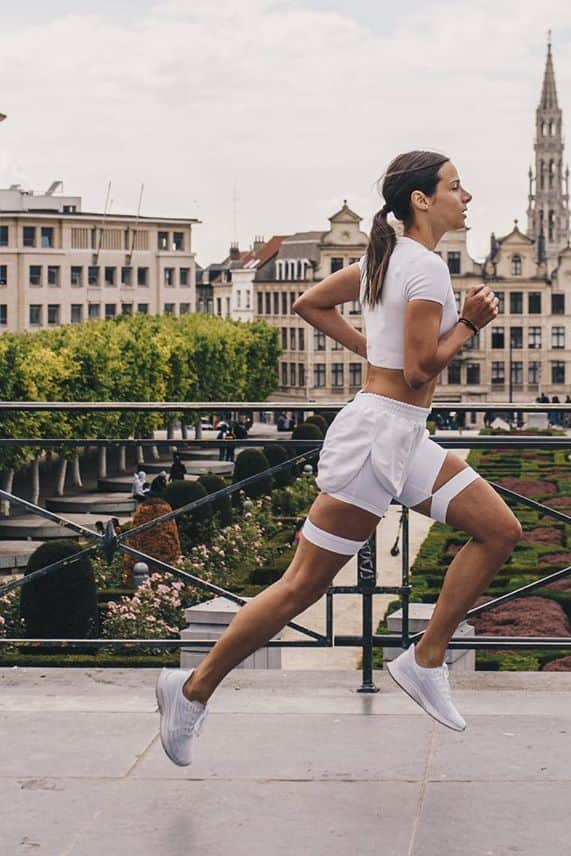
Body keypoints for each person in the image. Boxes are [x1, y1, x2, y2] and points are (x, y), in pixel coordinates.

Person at [156, 150, 520, 766]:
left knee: (499, 530)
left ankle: (425, 659)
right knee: (302, 585)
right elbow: (418, 367)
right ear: (422, 200)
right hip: (379, 441)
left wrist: (368, 352)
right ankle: (190, 691)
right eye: (456, 186)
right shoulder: (425, 268)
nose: (468, 195)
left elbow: (310, 304)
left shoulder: (387, 257)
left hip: (403, 438)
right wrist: (472, 324)